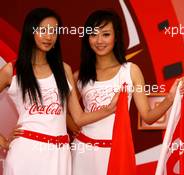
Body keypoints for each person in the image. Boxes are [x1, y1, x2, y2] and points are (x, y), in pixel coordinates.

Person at [70, 10, 184, 175]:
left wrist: (170, 98)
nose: (99, 41)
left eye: (105, 34)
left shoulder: (130, 71)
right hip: (83, 152)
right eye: (93, 35)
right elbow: (67, 112)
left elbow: (148, 116)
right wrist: (71, 123)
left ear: (116, 36)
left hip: (117, 152)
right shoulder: (79, 76)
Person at [0, 8, 117, 175]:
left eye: (54, 31)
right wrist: (2, 141)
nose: (49, 36)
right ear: (30, 31)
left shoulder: (64, 69)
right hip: (26, 153)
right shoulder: (12, 70)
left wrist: (110, 108)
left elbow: (79, 117)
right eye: (44, 30)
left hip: (59, 154)